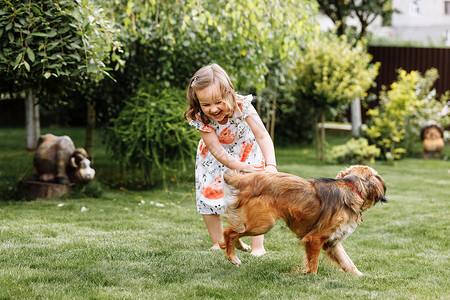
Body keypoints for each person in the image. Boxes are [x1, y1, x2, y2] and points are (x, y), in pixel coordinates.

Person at [184, 63, 277, 256]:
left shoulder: (242, 106)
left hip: (247, 151)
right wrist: (242, 168)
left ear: (229, 93)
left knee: (254, 197)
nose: (214, 109)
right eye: (206, 104)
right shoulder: (200, 117)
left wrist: (271, 165)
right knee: (208, 198)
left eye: (218, 102)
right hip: (214, 158)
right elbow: (218, 151)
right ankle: (219, 243)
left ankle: (258, 247)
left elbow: (261, 135)